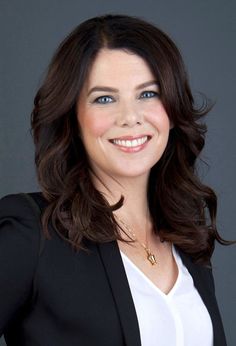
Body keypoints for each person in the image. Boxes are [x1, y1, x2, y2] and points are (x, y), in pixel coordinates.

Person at [0, 13, 231, 346]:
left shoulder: (187, 240)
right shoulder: (32, 231)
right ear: (73, 116)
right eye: (104, 98)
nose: (130, 117)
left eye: (148, 94)